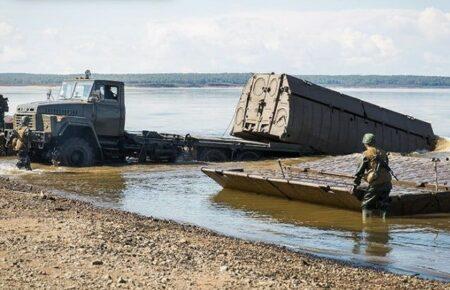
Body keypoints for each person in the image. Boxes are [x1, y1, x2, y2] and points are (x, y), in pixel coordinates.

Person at [353, 133, 392, 221]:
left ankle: (367, 225)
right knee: (383, 204)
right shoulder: (383, 152)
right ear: (374, 142)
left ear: (365, 143)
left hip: (376, 184)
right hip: (387, 183)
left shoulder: (366, 154)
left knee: (366, 204)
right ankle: (384, 224)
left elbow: (359, 172)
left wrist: (355, 185)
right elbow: (385, 168)